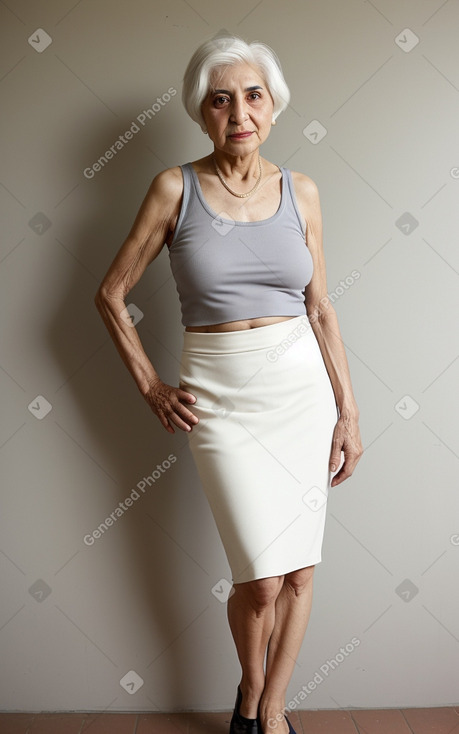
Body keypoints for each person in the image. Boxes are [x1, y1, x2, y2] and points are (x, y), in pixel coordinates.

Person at [95, 32, 363, 734]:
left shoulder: (300, 191)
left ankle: (267, 714)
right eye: (220, 100)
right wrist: (152, 385)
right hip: (219, 396)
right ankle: (250, 692)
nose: (238, 111)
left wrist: (348, 413)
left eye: (252, 95)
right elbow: (110, 294)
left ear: (272, 106)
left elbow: (320, 307)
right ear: (201, 113)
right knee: (261, 578)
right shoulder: (173, 188)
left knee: (301, 572)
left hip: (301, 393)